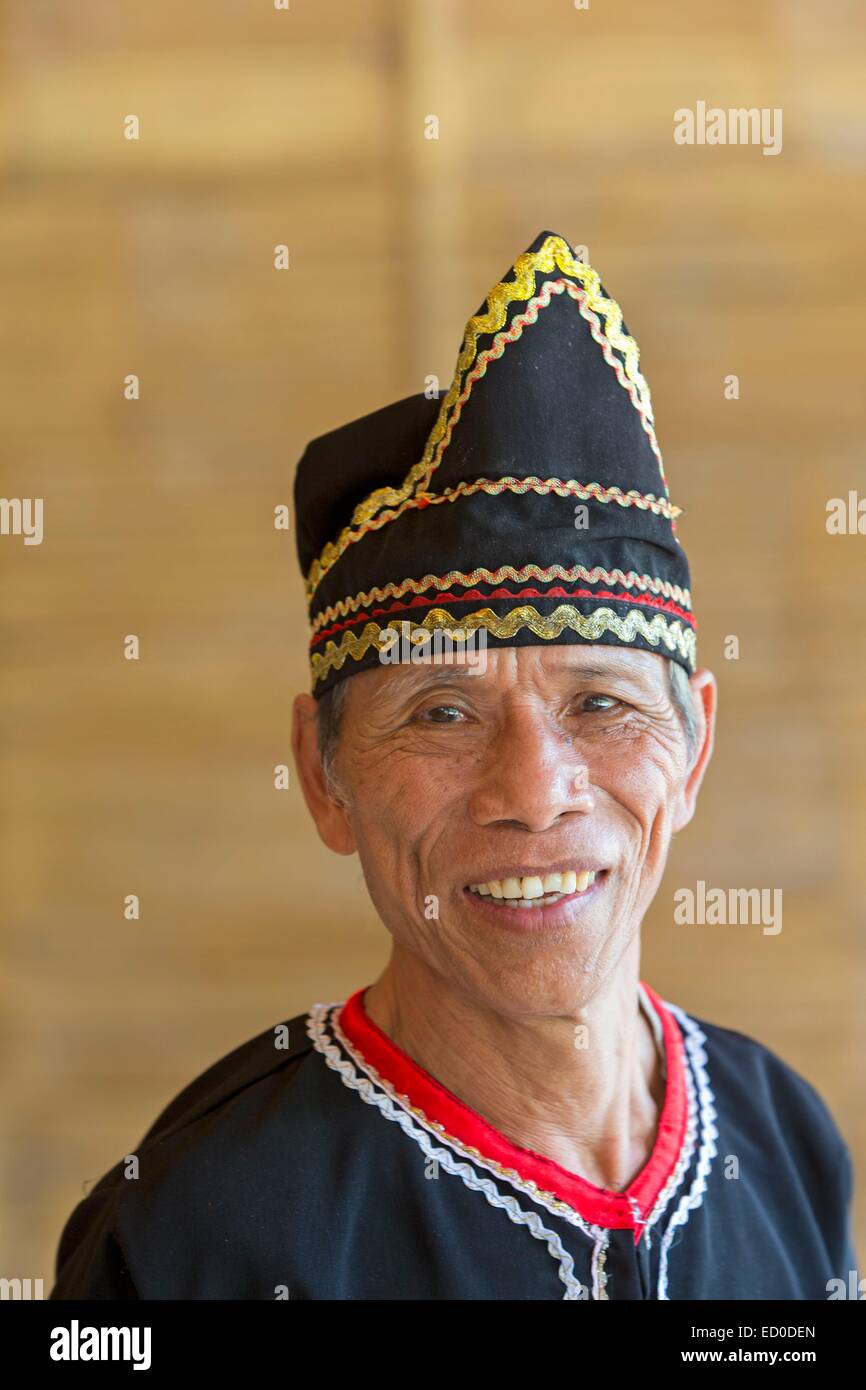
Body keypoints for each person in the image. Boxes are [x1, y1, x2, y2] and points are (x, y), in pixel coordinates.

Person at [50, 230, 857, 1300]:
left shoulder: (784, 1137)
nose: (531, 792)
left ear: (693, 747)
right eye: (440, 712)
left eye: (601, 704)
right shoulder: (193, 1235)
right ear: (322, 771)